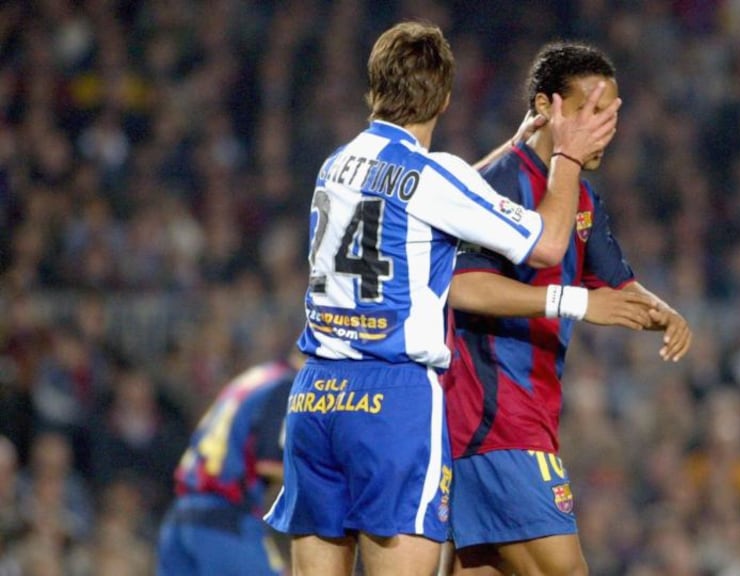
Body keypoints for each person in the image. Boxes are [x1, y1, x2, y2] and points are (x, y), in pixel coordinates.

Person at [262, 21, 620, 576]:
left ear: (373, 85)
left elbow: (415, 199)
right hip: (392, 397)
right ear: (446, 98)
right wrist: (565, 157)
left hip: (315, 395)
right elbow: (548, 245)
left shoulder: (334, 165)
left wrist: (512, 145)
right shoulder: (435, 175)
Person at [443, 42, 692, 576]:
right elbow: (464, 288)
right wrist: (576, 302)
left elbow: (620, 287)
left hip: (523, 420)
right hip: (495, 421)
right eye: (593, 111)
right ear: (545, 108)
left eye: (613, 114)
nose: (607, 127)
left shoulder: (581, 197)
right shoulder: (500, 184)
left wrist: (663, 311)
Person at [157, 352, 302, 576]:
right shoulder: (287, 386)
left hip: (183, 513)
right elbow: (270, 464)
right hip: (226, 522)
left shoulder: (259, 376)